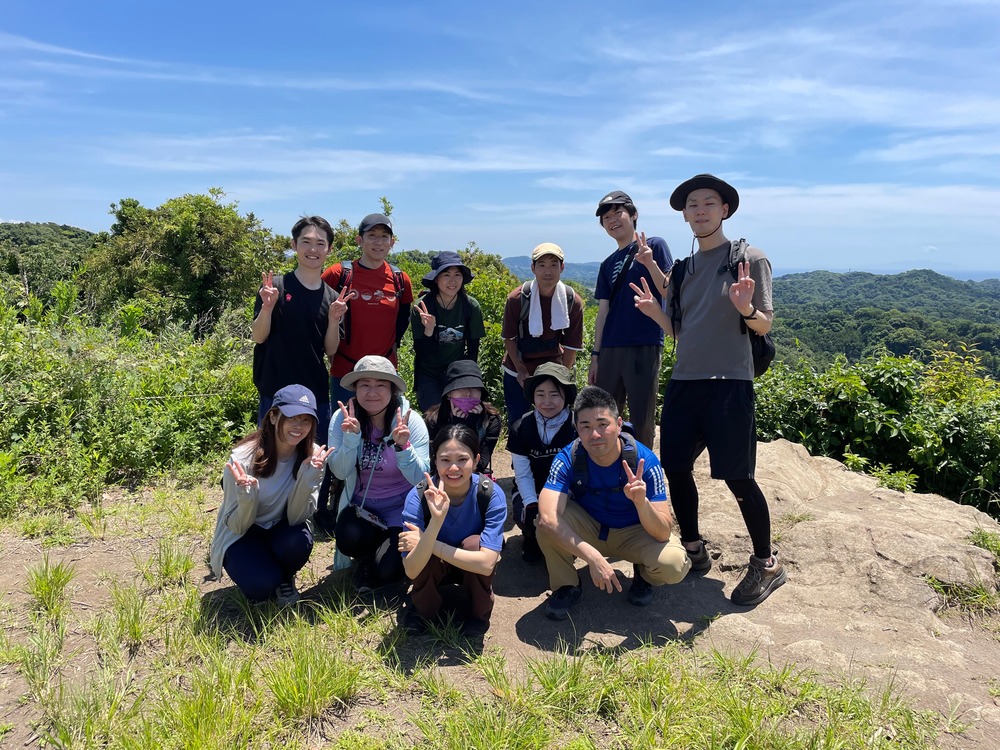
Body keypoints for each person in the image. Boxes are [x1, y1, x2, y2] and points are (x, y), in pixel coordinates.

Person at [631, 173, 785, 606]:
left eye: (708, 203)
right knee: (675, 468)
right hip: (684, 381)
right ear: (685, 215)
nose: (700, 210)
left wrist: (746, 308)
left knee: (738, 477)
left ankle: (767, 563)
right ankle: (694, 547)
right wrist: (655, 312)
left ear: (725, 210)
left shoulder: (748, 258)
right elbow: (682, 331)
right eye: (692, 205)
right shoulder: (685, 268)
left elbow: (764, 324)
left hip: (730, 384)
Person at [536, 386, 690, 620]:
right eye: (585, 426)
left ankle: (644, 576)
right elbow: (548, 518)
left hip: (634, 532)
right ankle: (566, 584)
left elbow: (662, 532)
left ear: (619, 424)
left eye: (602, 424)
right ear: (577, 429)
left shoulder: (645, 461)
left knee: (674, 563)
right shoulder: (568, 457)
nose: (595, 435)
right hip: (590, 527)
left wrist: (642, 503)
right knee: (544, 522)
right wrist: (593, 557)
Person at [209, 385, 332, 606]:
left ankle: (285, 576)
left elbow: (296, 518)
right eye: (292, 417)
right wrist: (247, 495)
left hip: (282, 528)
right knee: (262, 587)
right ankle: (264, 574)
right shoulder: (241, 460)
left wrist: (307, 477)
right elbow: (236, 526)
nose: (299, 426)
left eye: (306, 420)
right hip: (243, 533)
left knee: (297, 541)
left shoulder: (313, 457)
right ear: (273, 417)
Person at [327, 356, 430, 591]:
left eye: (381, 385)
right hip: (362, 507)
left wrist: (403, 448)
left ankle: (385, 547)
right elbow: (340, 472)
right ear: (355, 389)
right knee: (348, 536)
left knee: (389, 572)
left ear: (392, 390)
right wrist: (351, 439)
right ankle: (366, 557)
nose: (372, 392)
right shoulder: (342, 418)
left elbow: (421, 478)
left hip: (401, 508)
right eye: (365, 384)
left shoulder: (410, 421)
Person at [398, 424, 507, 636]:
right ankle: (423, 611)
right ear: (435, 461)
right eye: (445, 460)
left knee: (475, 544)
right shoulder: (418, 497)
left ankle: (477, 613)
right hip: (434, 566)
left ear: (476, 460)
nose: (454, 468)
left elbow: (486, 564)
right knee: (422, 552)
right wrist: (436, 522)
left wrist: (428, 542)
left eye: (462, 459)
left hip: (470, 562)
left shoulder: (490, 494)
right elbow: (411, 569)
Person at [252, 216, 353, 438]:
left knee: (314, 453)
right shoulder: (275, 287)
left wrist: (334, 319)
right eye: (306, 241)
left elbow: (331, 349)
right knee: (272, 452)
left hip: (314, 391)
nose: (312, 249)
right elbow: (259, 337)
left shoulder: (332, 297)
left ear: (329, 249)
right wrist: (267, 307)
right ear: (294, 244)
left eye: (320, 243)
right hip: (275, 389)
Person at [588, 192, 673, 448]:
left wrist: (650, 262)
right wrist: (595, 355)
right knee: (604, 414)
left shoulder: (655, 245)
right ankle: (608, 463)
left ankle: (642, 466)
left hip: (644, 343)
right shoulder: (607, 264)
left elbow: (669, 291)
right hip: (610, 348)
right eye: (606, 218)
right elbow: (603, 312)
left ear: (634, 215)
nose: (612, 220)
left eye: (618, 213)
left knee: (641, 417)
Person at [321, 213, 414, 406]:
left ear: (392, 243)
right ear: (359, 240)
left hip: (385, 370)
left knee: (387, 424)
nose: (378, 242)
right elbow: (319, 314)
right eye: (372, 235)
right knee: (344, 421)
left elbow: (402, 321)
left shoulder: (400, 279)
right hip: (345, 370)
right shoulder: (338, 274)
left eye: (384, 237)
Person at [501, 242, 584, 423]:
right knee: (517, 420)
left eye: (554, 265)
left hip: (553, 366)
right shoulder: (517, 299)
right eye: (542, 265)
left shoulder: (571, 301)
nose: (548, 271)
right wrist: (521, 369)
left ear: (562, 267)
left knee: (555, 419)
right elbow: (509, 338)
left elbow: (572, 345)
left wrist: (562, 375)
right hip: (518, 366)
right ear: (533, 268)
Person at [506, 362, 578, 565]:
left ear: (566, 396)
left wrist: (556, 503)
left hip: (568, 493)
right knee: (526, 513)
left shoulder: (578, 426)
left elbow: (580, 471)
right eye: (540, 394)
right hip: (533, 489)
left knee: (569, 514)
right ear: (532, 396)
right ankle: (531, 537)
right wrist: (532, 503)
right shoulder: (520, 427)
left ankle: (565, 542)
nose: (547, 401)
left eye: (554, 394)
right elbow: (522, 473)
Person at [411, 251, 486, 411]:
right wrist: (429, 330)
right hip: (429, 373)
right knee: (434, 417)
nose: (453, 281)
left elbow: (473, 348)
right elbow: (421, 352)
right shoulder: (422, 308)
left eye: (457, 275)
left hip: (457, 372)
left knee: (459, 416)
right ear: (436, 279)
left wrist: (469, 381)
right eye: (446, 275)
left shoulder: (470, 307)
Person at [423, 360, 502, 477]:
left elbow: (481, 463)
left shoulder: (491, 419)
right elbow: (435, 463)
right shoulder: (433, 419)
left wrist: (469, 427)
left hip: (474, 477)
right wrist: (456, 428)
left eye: (474, 388)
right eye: (460, 387)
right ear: (449, 393)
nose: (468, 393)